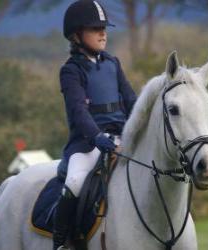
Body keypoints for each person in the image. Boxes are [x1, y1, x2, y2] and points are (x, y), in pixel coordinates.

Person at [53, 1, 137, 249]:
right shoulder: (70, 71)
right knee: (75, 182)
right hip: (87, 145)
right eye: (95, 28)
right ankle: (61, 242)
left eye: (104, 28)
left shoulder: (113, 63)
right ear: (76, 35)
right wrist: (99, 138)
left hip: (122, 139)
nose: (103, 33)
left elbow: (132, 101)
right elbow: (79, 113)